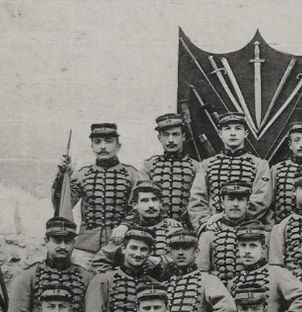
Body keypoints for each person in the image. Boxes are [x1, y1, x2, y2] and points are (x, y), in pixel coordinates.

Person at [60, 121, 145, 253]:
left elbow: (141, 207)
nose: (103, 147)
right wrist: (62, 177)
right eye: (97, 142)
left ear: (118, 146)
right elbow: (63, 205)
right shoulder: (83, 174)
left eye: (109, 141)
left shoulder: (132, 174)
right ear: (92, 147)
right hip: (86, 247)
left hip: (119, 247)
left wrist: (125, 225)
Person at [3, 216, 92, 312]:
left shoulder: (86, 278)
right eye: (57, 241)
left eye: (67, 242)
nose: (63, 246)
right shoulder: (29, 276)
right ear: (46, 241)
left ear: (74, 243)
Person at [224, 225, 302, 312]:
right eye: (243, 246)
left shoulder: (277, 273)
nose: (247, 251)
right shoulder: (233, 282)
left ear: (263, 248)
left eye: (253, 246)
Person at [187, 111, 271, 227]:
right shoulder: (207, 164)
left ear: (246, 133)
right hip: (213, 227)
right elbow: (197, 199)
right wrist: (206, 224)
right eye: (227, 129)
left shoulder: (260, 165)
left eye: (237, 129)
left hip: (249, 227)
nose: (232, 133)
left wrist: (230, 218)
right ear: (220, 134)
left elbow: (261, 199)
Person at [159, 230, 235, 312]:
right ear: (170, 253)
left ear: (197, 252)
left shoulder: (207, 280)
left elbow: (228, 308)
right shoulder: (166, 285)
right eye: (176, 248)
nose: (181, 253)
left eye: (186, 248)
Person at [90, 180, 186, 278]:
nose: (151, 205)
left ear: (161, 203)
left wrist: (162, 261)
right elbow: (100, 262)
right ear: (135, 205)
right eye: (145, 200)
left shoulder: (175, 230)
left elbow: (188, 263)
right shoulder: (124, 232)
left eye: (154, 200)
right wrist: (117, 280)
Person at [140, 112, 198, 226]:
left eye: (175, 134)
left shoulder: (196, 167)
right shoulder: (149, 166)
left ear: (184, 137)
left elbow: (200, 200)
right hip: (155, 226)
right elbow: (144, 197)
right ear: (159, 138)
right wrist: (163, 218)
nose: (170, 140)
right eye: (165, 135)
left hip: (187, 228)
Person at [196, 181, 256, 286]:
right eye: (230, 199)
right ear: (222, 203)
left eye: (241, 200)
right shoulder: (208, 234)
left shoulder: (258, 233)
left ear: (248, 204)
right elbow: (202, 274)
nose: (235, 204)